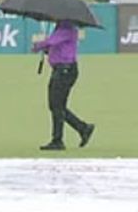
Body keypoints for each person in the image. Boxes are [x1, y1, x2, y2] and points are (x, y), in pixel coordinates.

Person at [31, 19, 95, 151]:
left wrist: (39, 46)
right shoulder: (61, 28)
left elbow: (52, 41)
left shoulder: (66, 28)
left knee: (56, 105)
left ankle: (59, 139)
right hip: (61, 70)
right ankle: (82, 128)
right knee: (56, 106)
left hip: (65, 70)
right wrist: (48, 49)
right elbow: (54, 45)